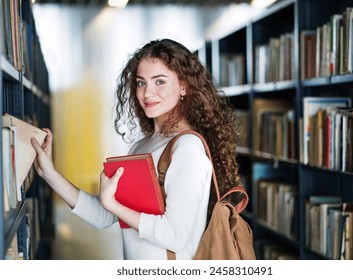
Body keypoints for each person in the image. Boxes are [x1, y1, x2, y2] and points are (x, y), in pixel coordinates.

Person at [31, 38, 242, 260]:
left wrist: (111, 204)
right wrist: (49, 173)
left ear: (184, 86)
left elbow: (175, 236)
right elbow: (104, 216)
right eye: (141, 83)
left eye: (159, 82)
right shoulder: (142, 146)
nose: (148, 93)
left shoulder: (187, 148)